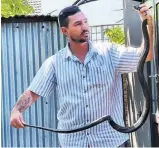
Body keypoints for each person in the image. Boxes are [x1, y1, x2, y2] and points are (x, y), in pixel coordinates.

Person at [10, 3, 153, 147]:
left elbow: (145, 56)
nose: (84, 27)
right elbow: (33, 92)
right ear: (64, 31)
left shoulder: (109, 53)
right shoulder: (54, 63)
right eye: (78, 24)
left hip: (110, 141)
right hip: (73, 143)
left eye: (85, 22)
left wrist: (148, 25)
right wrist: (16, 111)